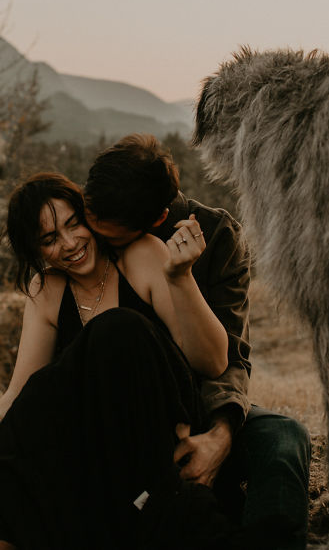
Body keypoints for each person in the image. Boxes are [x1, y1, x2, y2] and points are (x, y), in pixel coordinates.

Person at [0, 172, 236, 550]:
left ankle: (10, 532)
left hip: (152, 421)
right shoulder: (46, 290)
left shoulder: (141, 254)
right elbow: (20, 393)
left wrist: (180, 277)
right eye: (49, 239)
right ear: (35, 251)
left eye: (73, 224)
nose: (69, 243)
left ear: (88, 216)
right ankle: (3, 532)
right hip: (89, 445)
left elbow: (212, 362)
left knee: (116, 330)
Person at [83, 133, 312, 549]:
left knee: (283, 437)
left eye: (113, 240)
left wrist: (221, 435)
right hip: (124, 414)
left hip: (201, 404)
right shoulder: (87, 225)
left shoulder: (219, 237)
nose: (98, 243)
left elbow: (232, 355)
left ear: (156, 221)